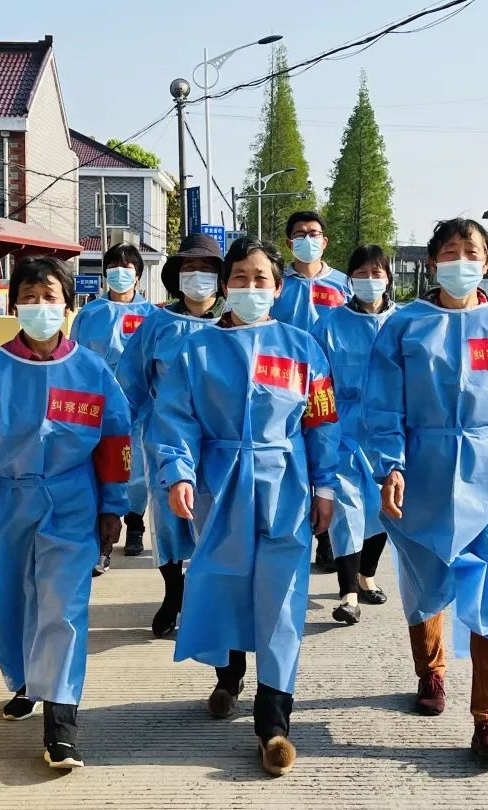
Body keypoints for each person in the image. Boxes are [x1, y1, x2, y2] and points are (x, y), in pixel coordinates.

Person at [150, 237, 340, 777]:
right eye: (240, 278)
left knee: (281, 597)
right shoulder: (196, 350)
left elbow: (322, 421)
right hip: (220, 480)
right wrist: (177, 472)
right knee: (226, 581)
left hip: (287, 484)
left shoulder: (303, 348)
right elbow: (176, 418)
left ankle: (273, 721)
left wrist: (326, 486)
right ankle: (228, 676)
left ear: (278, 289)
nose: (250, 287)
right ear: (225, 285)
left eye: (261, 279)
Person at [363, 218, 488, 762]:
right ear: (432, 262)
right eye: (449, 251)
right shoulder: (404, 327)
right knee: (425, 581)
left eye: (471, 251)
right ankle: (431, 670)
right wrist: (389, 466)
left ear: (486, 262)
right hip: (423, 471)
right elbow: (382, 405)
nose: (460, 260)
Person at [0, 256, 132, 771]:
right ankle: (26, 680)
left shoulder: (91, 370)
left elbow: (115, 441)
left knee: (63, 605)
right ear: (15, 306)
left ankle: (61, 723)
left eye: (50, 296)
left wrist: (113, 506)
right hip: (9, 499)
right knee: (13, 600)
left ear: (68, 306)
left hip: (73, 500)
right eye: (29, 296)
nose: (40, 306)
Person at [116, 233, 224, 639]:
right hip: (167, 438)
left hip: (223, 441)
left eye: (207, 268)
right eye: (190, 268)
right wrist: (117, 434)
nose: (198, 276)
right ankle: (173, 594)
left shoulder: (235, 323)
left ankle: (209, 599)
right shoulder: (159, 324)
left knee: (218, 521)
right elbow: (131, 382)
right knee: (169, 522)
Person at [310, 244, 397, 625]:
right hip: (342, 426)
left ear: (388, 278)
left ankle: (367, 575)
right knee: (347, 507)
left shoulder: (403, 323)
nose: (369, 280)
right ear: (349, 280)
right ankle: (348, 593)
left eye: (376, 273)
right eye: (361, 274)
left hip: (389, 426)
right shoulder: (329, 324)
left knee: (384, 506)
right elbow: (316, 379)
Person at [270, 211, 351, 574]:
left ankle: (328, 539)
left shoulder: (344, 285)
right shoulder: (276, 284)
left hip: (331, 388)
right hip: (282, 385)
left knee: (329, 457)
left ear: (325, 240)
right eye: (300, 233)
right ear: (289, 242)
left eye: (314, 233)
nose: (308, 239)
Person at [70, 243, 156, 571]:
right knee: (100, 467)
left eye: (127, 267)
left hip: (139, 408)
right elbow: (75, 356)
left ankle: (135, 524)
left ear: (138, 275)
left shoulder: (151, 315)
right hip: (98, 406)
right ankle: (103, 538)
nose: (120, 273)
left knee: (136, 469)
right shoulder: (90, 313)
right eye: (114, 267)